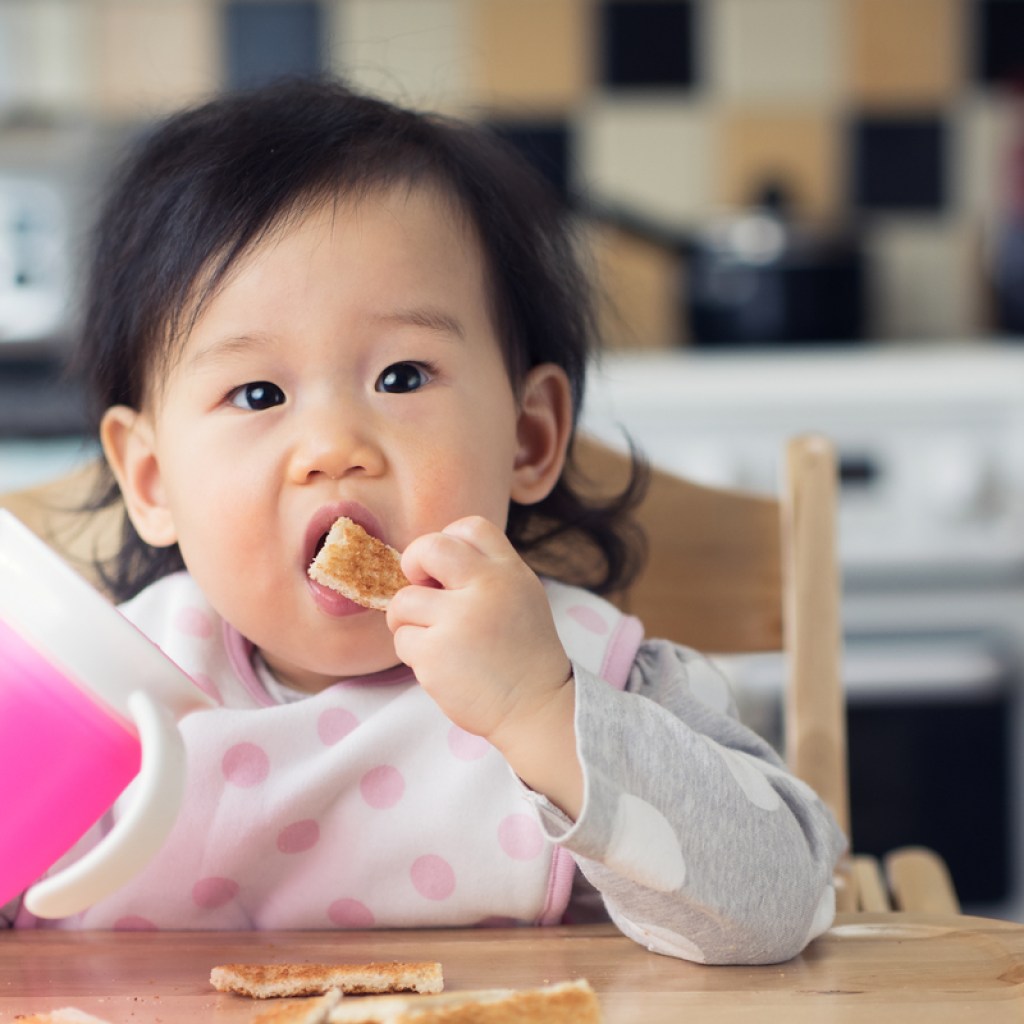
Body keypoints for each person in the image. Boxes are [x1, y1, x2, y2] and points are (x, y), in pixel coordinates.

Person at [7, 78, 844, 962]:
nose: (334, 446)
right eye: (258, 394)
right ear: (152, 478)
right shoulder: (91, 705)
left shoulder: (592, 681)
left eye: (402, 377)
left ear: (528, 437)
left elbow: (786, 902)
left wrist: (541, 712)